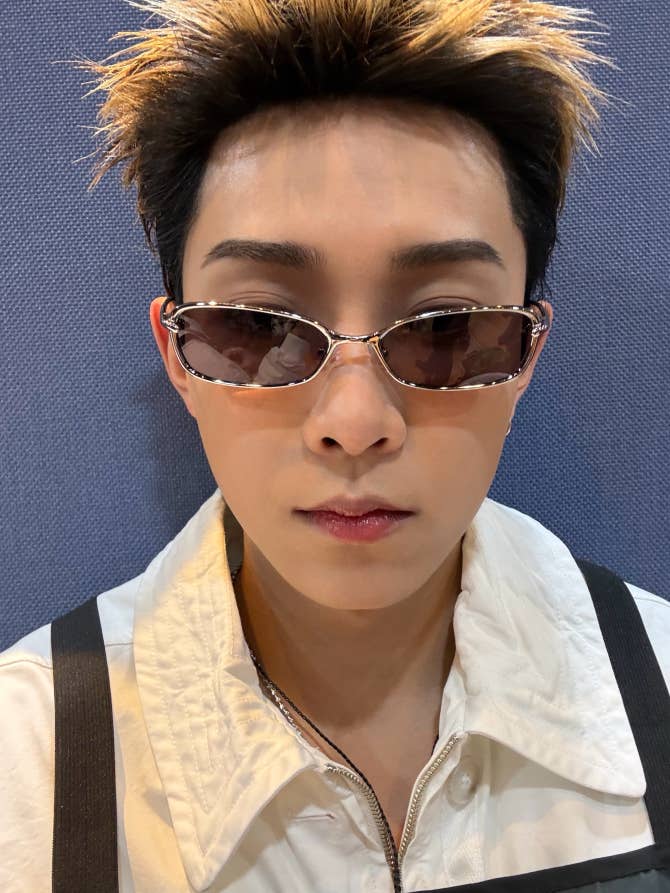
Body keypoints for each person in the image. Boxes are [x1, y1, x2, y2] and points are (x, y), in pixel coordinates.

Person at [1, 1, 668, 891]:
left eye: (447, 328)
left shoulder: (658, 676)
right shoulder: (26, 761)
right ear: (177, 356)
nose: (354, 421)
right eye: (255, 326)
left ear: (526, 356)